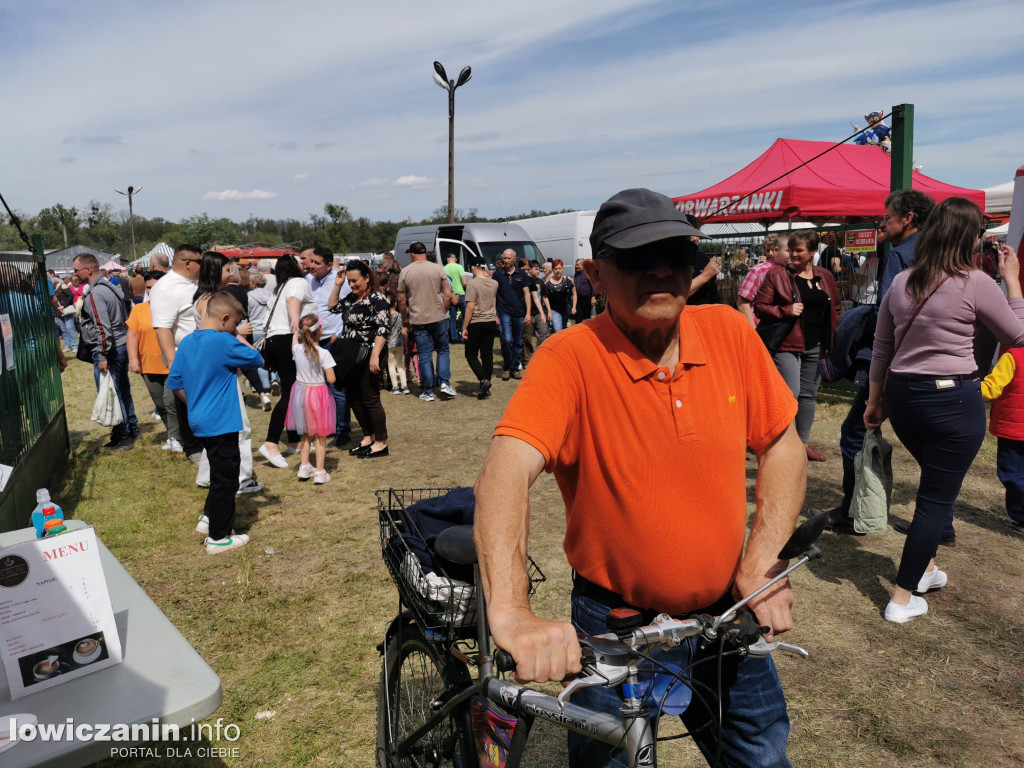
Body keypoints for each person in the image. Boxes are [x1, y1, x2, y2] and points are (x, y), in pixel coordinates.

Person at [474, 188, 805, 768]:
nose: (659, 270)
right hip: (614, 622)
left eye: (676, 254)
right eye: (634, 258)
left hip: (727, 611)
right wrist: (513, 610)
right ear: (595, 274)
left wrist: (762, 563)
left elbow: (782, 446)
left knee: (760, 755)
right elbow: (505, 472)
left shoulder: (728, 331)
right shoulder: (568, 356)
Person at [865, 198, 1024, 623]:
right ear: (970, 238)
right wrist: (1013, 281)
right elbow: (1018, 334)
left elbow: (882, 347)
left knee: (935, 487)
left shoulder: (901, 281)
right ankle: (902, 596)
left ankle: (927, 568)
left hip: (904, 399)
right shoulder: (976, 282)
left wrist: (873, 400)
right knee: (935, 500)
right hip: (953, 400)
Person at [826, 190, 937, 535]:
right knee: (928, 446)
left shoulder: (900, 257)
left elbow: (891, 318)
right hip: (940, 365)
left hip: (899, 366)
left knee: (854, 433)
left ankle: (852, 510)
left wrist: (879, 376)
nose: (882, 221)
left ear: (907, 219)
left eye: (887, 215)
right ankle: (940, 519)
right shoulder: (942, 253)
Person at [167, 292, 262, 554]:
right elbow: (256, 359)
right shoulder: (224, 341)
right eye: (234, 324)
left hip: (199, 420)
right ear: (225, 319)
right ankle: (219, 538)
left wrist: (196, 403)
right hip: (222, 422)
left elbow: (175, 383)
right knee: (227, 480)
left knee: (219, 474)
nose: (235, 328)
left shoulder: (186, 342)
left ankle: (210, 519)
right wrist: (238, 336)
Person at [753, 231, 841, 462]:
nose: (793, 254)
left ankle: (802, 444)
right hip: (786, 344)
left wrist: (834, 334)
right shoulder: (777, 275)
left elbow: (836, 307)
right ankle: (781, 442)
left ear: (813, 252)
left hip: (816, 344)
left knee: (809, 396)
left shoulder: (825, 276)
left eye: (799, 250)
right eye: (791, 249)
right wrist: (785, 310)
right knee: (791, 393)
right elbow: (759, 305)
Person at [191, 252, 263, 496]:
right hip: (218, 368)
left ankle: (207, 475)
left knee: (219, 432)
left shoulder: (203, 297)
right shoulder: (211, 301)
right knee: (237, 426)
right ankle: (240, 479)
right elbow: (215, 334)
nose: (231, 273)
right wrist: (238, 331)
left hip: (208, 368)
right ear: (214, 271)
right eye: (226, 269)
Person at [74, 253, 139, 450]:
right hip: (119, 345)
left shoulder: (96, 294)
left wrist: (102, 355)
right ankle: (131, 425)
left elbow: (103, 328)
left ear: (89, 269)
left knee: (113, 392)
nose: (74, 274)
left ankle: (122, 434)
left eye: (77, 270)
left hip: (109, 349)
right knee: (122, 388)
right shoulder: (110, 287)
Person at [259, 255, 317, 468]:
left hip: (275, 340)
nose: (304, 264)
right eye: (300, 261)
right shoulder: (298, 282)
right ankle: (271, 442)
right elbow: (293, 300)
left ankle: (293, 440)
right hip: (288, 339)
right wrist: (296, 321)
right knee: (292, 393)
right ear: (294, 266)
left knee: (292, 392)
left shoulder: (279, 288)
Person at [329, 260, 390, 458]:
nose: (352, 284)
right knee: (354, 397)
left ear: (366, 277)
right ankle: (368, 437)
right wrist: (338, 285)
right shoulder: (353, 298)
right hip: (351, 354)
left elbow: (383, 329)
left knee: (370, 398)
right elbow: (333, 307)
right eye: (349, 281)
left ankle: (381, 442)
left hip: (370, 353)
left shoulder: (377, 298)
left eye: (355, 281)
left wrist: (374, 356)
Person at [150, 244, 205, 463]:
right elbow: (162, 328)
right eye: (200, 262)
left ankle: (205, 442)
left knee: (203, 401)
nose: (203, 266)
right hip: (185, 356)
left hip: (203, 354)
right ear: (188, 263)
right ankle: (193, 448)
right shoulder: (166, 287)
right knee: (187, 403)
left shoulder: (193, 284)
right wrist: (174, 364)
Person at [397, 242, 456, 402]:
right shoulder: (437, 268)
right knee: (443, 350)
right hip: (438, 316)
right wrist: (444, 309)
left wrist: (404, 317)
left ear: (412, 254)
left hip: (417, 318)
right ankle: (444, 382)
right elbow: (448, 294)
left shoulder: (406, 271)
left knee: (424, 354)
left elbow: (401, 299)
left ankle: (428, 391)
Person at [127, 270, 178, 450]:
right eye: (148, 287)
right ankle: (174, 436)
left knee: (172, 403)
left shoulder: (176, 306)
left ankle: (177, 437)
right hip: (148, 364)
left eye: (156, 286)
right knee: (161, 405)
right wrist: (133, 358)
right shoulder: (139, 309)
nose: (152, 290)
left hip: (173, 364)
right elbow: (132, 334)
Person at [306, 246, 351, 446]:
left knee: (337, 388)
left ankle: (343, 431)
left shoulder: (339, 280)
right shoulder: (308, 281)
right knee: (322, 388)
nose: (311, 266)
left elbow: (349, 308)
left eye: (316, 263)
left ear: (329, 265)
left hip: (334, 341)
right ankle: (330, 427)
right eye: (311, 262)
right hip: (314, 341)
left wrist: (339, 334)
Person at [286, 314, 336, 484]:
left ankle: (304, 466)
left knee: (305, 434)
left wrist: (295, 335)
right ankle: (320, 472)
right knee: (320, 435)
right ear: (319, 331)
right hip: (318, 395)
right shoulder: (324, 354)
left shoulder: (297, 350)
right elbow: (331, 379)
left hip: (300, 393)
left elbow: (294, 343)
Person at [981, 348, 1024, 535]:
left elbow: (991, 389)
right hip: (1013, 426)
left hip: (1014, 428)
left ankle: (1020, 515)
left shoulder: (1013, 356)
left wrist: (966, 390)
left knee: (1012, 472)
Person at [462, 257, 500, 399]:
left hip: (477, 321)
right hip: (490, 321)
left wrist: (465, 326)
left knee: (471, 354)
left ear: (473, 268)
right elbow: (494, 301)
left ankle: (483, 380)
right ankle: (486, 386)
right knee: (487, 354)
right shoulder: (494, 283)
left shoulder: (472, 284)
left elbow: (470, 307)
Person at [492, 249, 531, 380]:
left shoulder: (522, 274)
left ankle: (514, 369)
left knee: (517, 342)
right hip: (504, 313)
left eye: (509, 258)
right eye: (505, 258)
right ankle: (507, 367)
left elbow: (527, 294)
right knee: (507, 339)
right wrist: (495, 314)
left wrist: (528, 313)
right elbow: (494, 295)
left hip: (519, 313)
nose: (506, 261)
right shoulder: (497, 275)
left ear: (515, 259)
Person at [737, 234, 787, 327]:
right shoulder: (759, 270)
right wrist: (754, 330)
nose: (771, 253)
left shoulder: (792, 270)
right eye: (768, 250)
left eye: (772, 249)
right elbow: (743, 302)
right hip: (761, 325)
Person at [685, 214, 721, 305]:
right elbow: (678, 293)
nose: (696, 238)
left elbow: (713, 294)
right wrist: (705, 275)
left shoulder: (703, 258)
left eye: (697, 233)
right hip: (684, 315)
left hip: (705, 314)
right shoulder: (675, 259)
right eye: (692, 233)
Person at [542, 258, 575, 333]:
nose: (558, 271)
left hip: (565, 309)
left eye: (560, 268)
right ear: (553, 270)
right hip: (554, 309)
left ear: (562, 269)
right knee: (558, 330)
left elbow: (574, 293)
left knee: (563, 329)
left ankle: (562, 344)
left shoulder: (568, 281)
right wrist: (549, 311)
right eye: (556, 269)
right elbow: (545, 297)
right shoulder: (547, 283)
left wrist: (574, 306)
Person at [385, 294, 409, 395]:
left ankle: (395, 387)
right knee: (400, 365)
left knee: (391, 366)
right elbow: (403, 332)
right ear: (395, 304)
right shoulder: (399, 316)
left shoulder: (385, 317)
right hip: (399, 343)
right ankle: (404, 386)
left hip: (389, 344)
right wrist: (406, 344)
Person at [443, 253, 467, 344]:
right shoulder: (459, 267)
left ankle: (453, 338)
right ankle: (463, 337)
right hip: (461, 294)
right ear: (455, 259)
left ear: (447, 259)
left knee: (452, 318)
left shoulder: (443, 269)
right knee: (466, 315)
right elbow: (464, 282)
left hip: (450, 295)